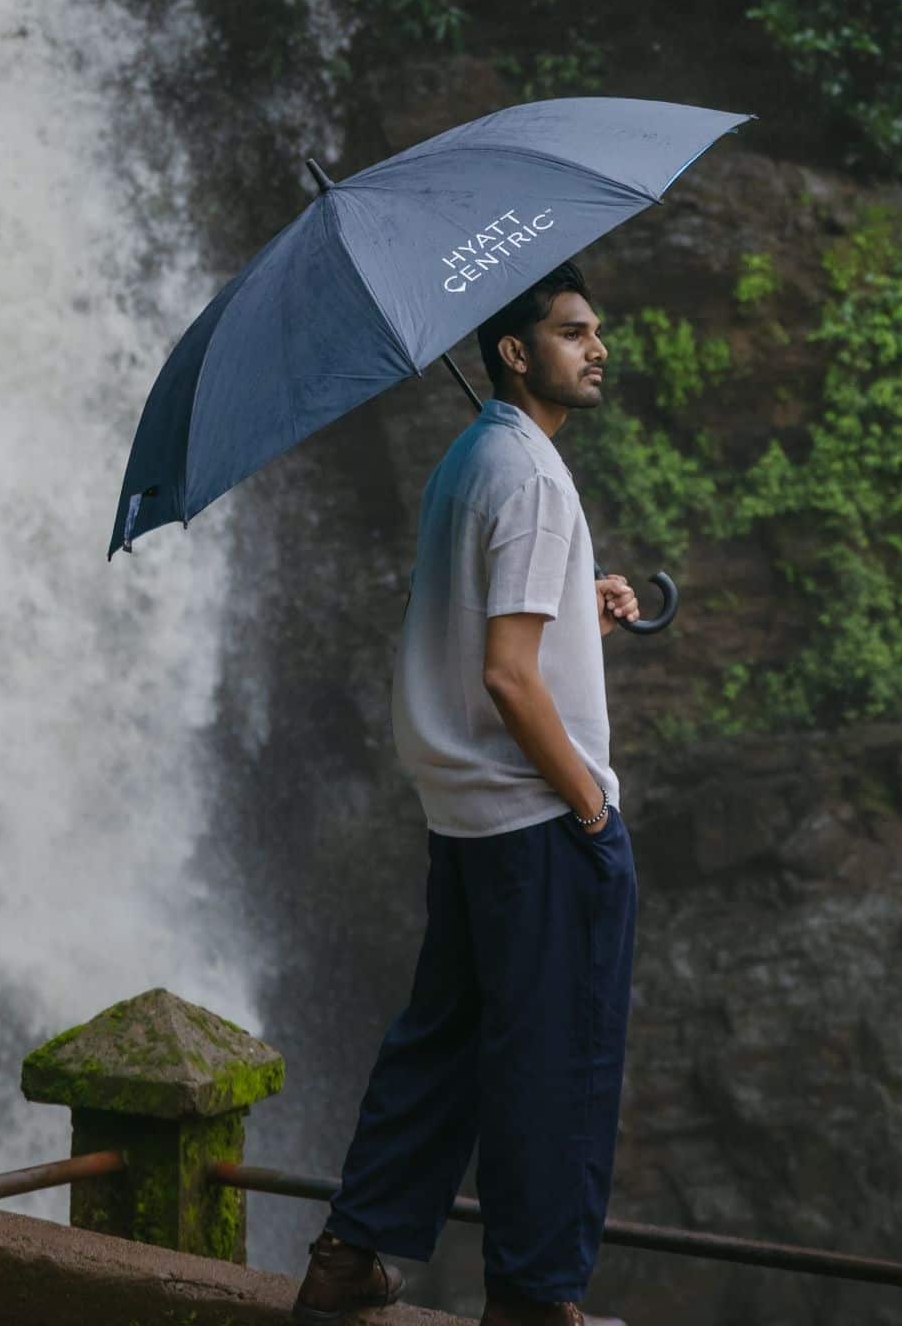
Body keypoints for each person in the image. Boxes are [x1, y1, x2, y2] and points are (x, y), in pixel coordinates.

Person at [292, 261, 641, 1326]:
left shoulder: (473, 459)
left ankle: (348, 1257)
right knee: (555, 1064)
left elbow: (475, 630)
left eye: (594, 331)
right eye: (573, 332)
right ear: (513, 350)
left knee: (440, 1045)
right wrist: (588, 805)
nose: (596, 347)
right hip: (538, 822)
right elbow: (503, 673)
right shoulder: (530, 477)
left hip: (465, 820)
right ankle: (536, 1302)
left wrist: (575, 609)